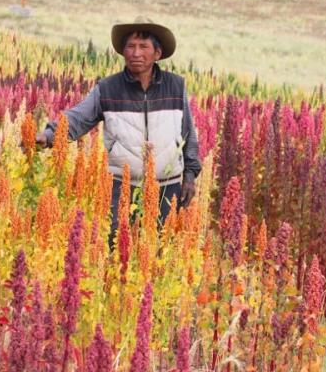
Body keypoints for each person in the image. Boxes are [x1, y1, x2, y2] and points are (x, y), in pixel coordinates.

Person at [35, 17, 202, 238]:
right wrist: (49, 135)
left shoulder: (175, 86)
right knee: (115, 247)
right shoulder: (108, 88)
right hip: (120, 187)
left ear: (157, 53)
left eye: (143, 46)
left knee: (160, 249)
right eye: (130, 46)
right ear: (123, 52)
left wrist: (189, 176)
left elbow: (188, 134)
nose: (136, 53)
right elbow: (78, 117)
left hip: (166, 188)